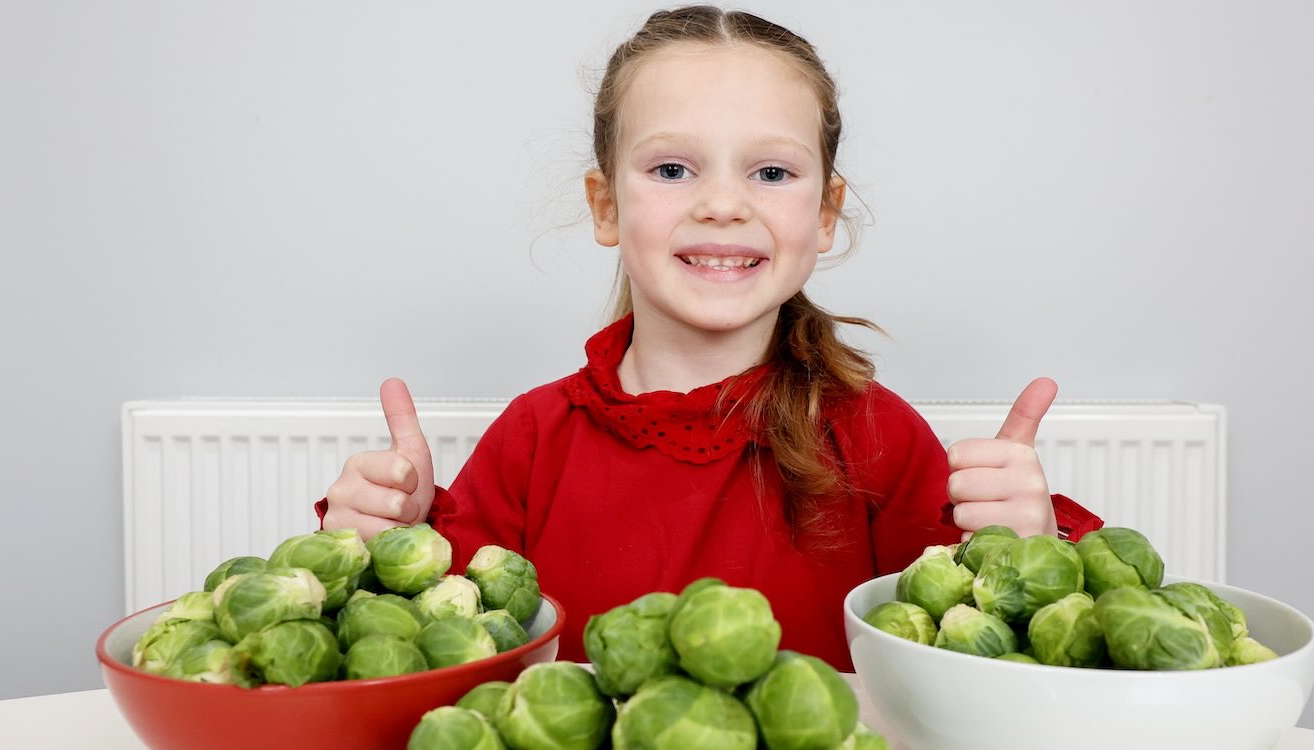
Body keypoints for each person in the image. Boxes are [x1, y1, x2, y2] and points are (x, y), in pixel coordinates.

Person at [318, 5, 1102, 670]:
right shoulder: (532, 439)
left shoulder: (876, 436)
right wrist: (384, 540)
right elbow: (439, 641)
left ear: (825, 213)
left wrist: (1025, 540)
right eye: (671, 170)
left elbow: (972, 634)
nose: (723, 204)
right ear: (605, 207)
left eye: (770, 173)